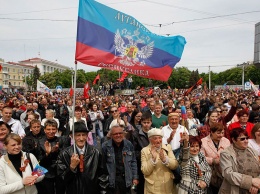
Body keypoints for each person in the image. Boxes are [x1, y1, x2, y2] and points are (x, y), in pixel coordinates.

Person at [57, 122, 103, 194]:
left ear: (87, 135)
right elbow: (62, 178)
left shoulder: (96, 152)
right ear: (72, 136)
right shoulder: (64, 154)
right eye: (78, 135)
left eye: (83, 135)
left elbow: (102, 175)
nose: (81, 138)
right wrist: (71, 168)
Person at [219, 127, 260, 193]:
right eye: (242, 139)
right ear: (234, 140)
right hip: (235, 190)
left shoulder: (252, 151)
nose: (246, 141)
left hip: (255, 189)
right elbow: (228, 174)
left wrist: (256, 183)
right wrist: (251, 181)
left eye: (247, 138)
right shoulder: (226, 153)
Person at [102, 124, 139, 194]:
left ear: (123, 134)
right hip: (112, 181)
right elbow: (102, 165)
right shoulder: (105, 146)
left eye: (120, 133)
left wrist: (135, 177)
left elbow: (133, 162)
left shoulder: (129, 145)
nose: (118, 135)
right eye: (115, 134)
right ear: (111, 135)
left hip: (126, 180)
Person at [141, 128, 178, 194]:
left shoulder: (167, 147)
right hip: (153, 189)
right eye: (155, 138)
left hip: (168, 188)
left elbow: (175, 165)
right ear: (150, 139)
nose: (158, 141)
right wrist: (152, 160)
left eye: (160, 138)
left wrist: (165, 160)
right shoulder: (145, 151)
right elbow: (145, 171)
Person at [37, 119, 70, 194]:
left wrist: (57, 150)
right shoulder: (40, 141)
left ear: (56, 130)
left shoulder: (62, 140)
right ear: (44, 130)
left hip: (60, 172)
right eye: (48, 129)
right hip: (46, 172)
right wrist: (48, 154)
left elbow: (66, 156)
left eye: (53, 129)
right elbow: (39, 161)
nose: (51, 131)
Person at [200, 123, 230, 194]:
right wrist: (213, 161)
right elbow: (201, 157)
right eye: (218, 133)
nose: (221, 135)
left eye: (222, 133)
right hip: (209, 171)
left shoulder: (226, 141)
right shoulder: (203, 141)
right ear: (211, 132)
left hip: (223, 171)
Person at [130, 113, 152, 194]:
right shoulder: (135, 134)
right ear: (141, 122)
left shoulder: (154, 132)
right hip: (141, 162)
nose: (146, 125)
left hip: (153, 162)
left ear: (151, 122)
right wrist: (143, 155)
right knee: (142, 185)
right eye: (144, 122)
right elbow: (133, 151)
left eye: (148, 122)